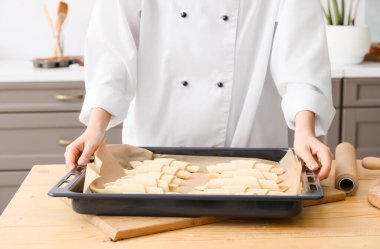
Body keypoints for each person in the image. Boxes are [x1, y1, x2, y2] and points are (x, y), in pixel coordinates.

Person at [65, 0, 335, 180]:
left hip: (251, 154)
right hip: (153, 154)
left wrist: (304, 130)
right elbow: (112, 52)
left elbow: (301, 55)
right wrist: (95, 128)